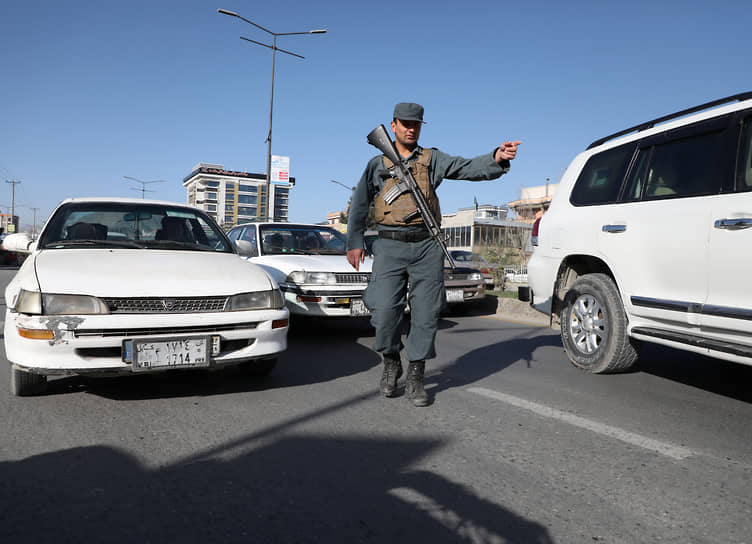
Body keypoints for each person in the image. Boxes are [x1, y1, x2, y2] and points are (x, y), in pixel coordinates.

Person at [346, 102, 520, 407]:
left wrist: (496, 157)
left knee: (425, 315)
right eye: (406, 123)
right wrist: (354, 241)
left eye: (417, 124)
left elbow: (467, 168)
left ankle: (416, 374)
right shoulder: (377, 163)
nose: (411, 128)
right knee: (385, 311)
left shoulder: (431, 159)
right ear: (394, 125)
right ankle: (391, 361)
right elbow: (360, 205)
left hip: (427, 245)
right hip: (388, 244)